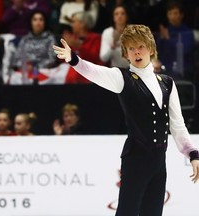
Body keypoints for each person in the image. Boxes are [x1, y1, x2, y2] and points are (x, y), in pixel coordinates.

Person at [53, 24, 199, 215]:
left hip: (159, 163)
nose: (136, 52)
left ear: (151, 49)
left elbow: (177, 125)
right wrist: (73, 59)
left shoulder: (167, 83)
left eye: (140, 46)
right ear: (125, 54)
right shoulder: (121, 78)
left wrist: (193, 154)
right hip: (135, 160)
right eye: (131, 48)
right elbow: (95, 72)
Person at [156, 1, 196, 80]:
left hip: (184, 72)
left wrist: (168, 39)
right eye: (170, 14)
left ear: (181, 15)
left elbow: (184, 50)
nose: (173, 17)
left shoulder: (187, 32)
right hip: (165, 71)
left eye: (175, 13)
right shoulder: (164, 32)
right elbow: (157, 52)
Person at [62, 11, 103, 83]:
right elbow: (62, 61)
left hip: (90, 70)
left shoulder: (95, 38)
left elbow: (95, 58)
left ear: (82, 23)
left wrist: (79, 47)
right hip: (69, 70)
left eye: (74, 22)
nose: (72, 25)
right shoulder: (71, 38)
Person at [99, 4, 129, 69]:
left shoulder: (134, 32)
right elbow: (103, 58)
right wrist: (113, 45)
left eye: (122, 13)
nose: (119, 16)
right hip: (115, 69)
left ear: (127, 17)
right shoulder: (107, 32)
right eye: (116, 14)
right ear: (113, 18)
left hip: (132, 69)